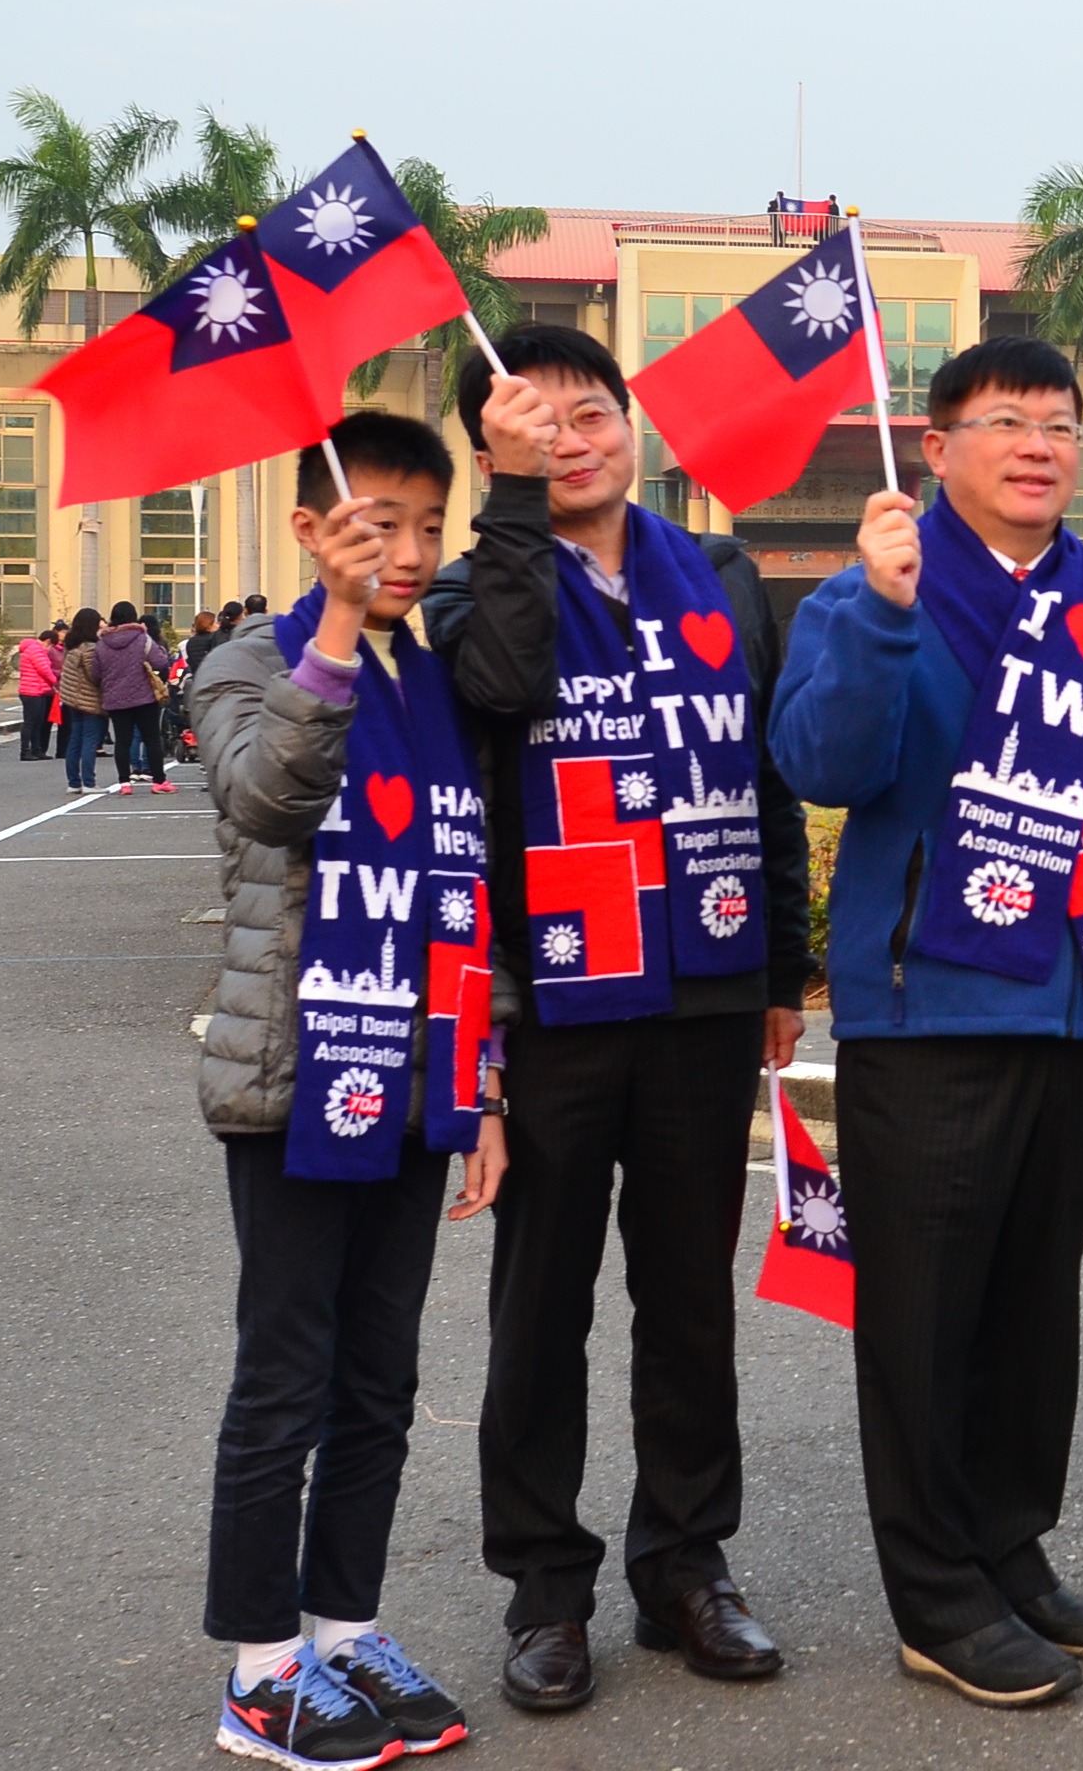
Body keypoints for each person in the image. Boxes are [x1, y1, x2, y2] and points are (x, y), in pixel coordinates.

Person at [771, 337, 1083, 1710]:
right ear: (937, 446)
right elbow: (823, 763)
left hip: (1079, 1003)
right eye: (1006, 422)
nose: (1039, 444)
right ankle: (934, 1598)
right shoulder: (878, 590)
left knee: (1034, 1306)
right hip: (933, 1010)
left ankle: (1008, 1549)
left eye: (1060, 423)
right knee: (924, 1316)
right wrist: (877, 611)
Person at [423, 323, 817, 1715]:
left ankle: (686, 1567)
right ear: (493, 449)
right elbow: (509, 687)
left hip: (705, 991)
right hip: (559, 1003)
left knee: (689, 1298)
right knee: (541, 1305)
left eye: (593, 413)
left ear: (631, 424)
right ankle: (543, 1589)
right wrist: (516, 511)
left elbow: (764, 769)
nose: (572, 437)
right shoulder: (477, 583)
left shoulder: (715, 570)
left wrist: (785, 961)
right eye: (534, 424)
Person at [193, 404, 546, 1767]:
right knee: (285, 1374)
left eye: (421, 526)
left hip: (417, 1077)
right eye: (372, 524)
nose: (403, 551)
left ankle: (343, 1628)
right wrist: (333, 633)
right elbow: (267, 799)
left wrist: (490, 1088)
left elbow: (470, 896)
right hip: (293, 1077)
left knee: (383, 1379)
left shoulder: (434, 681)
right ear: (309, 528)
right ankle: (258, 1666)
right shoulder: (247, 661)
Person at [101, 600, 178, 793]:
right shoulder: (142, 639)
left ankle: (124, 783)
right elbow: (160, 662)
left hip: (115, 697)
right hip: (143, 696)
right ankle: (159, 781)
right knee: (151, 738)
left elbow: (96, 671)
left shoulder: (103, 642)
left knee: (122, 740)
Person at [58, 606, 108, 791]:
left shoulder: (71, 645)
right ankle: (89, 781)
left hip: (72, 698)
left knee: (75, 739)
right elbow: (94, 675)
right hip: (89, 698)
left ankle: (74, 782)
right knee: (90, 740)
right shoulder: (90, 648)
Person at [14, 623, 61, 761]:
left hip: (36, 690)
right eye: (51, 645)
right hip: (31, 691)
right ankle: (26, 750)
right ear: (47, 641)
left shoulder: (33, 649)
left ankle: (36, 749)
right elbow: (44, 669)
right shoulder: (36, 649)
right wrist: (55, 682)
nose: (50, 648)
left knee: (38, 721)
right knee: (31, 722)